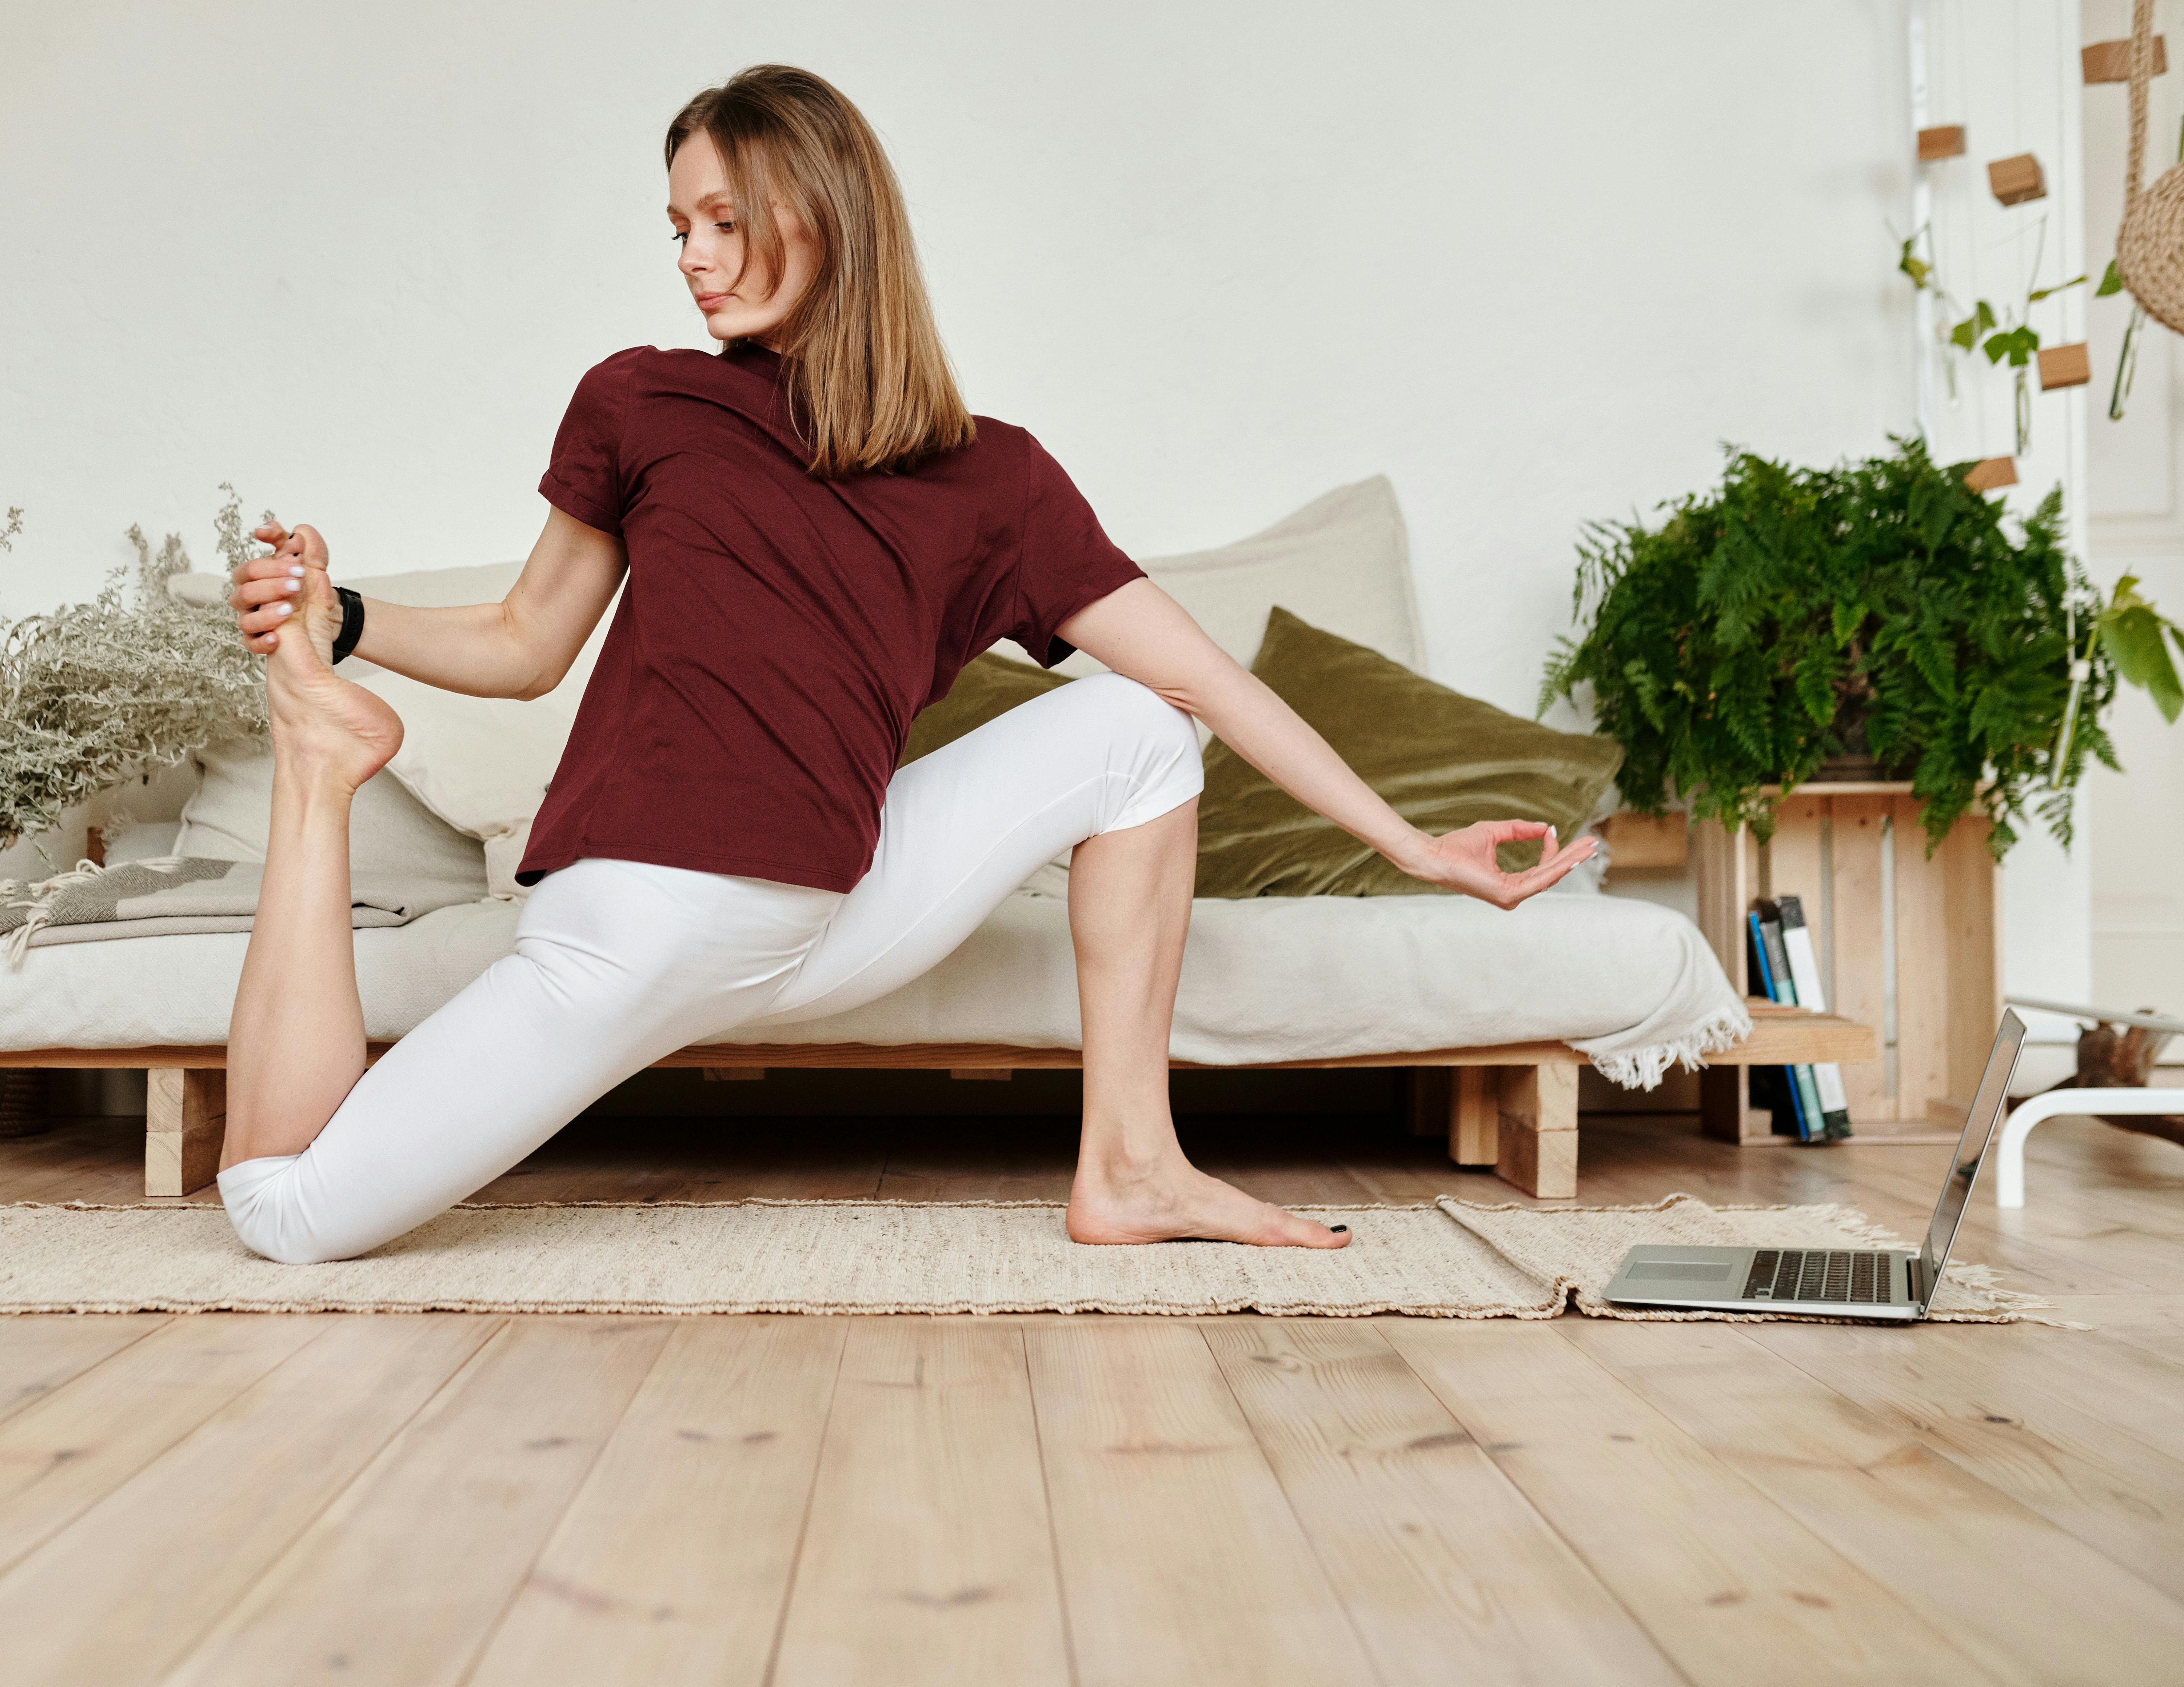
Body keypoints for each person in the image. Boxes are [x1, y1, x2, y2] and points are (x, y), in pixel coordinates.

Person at [219, 65, 1594, 1266]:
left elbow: (1211, 684)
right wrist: (341, 618)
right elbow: (524, 646)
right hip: (636, 926)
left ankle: (1128, 1164)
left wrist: (1415, 847)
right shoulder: (646, 400)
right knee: (282, 1210)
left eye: (724, 222)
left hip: (824, 911)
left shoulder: (993, 478)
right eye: (678, 228)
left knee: (1139, 732)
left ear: (822, 218)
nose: (692, 258)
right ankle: (321, 772)